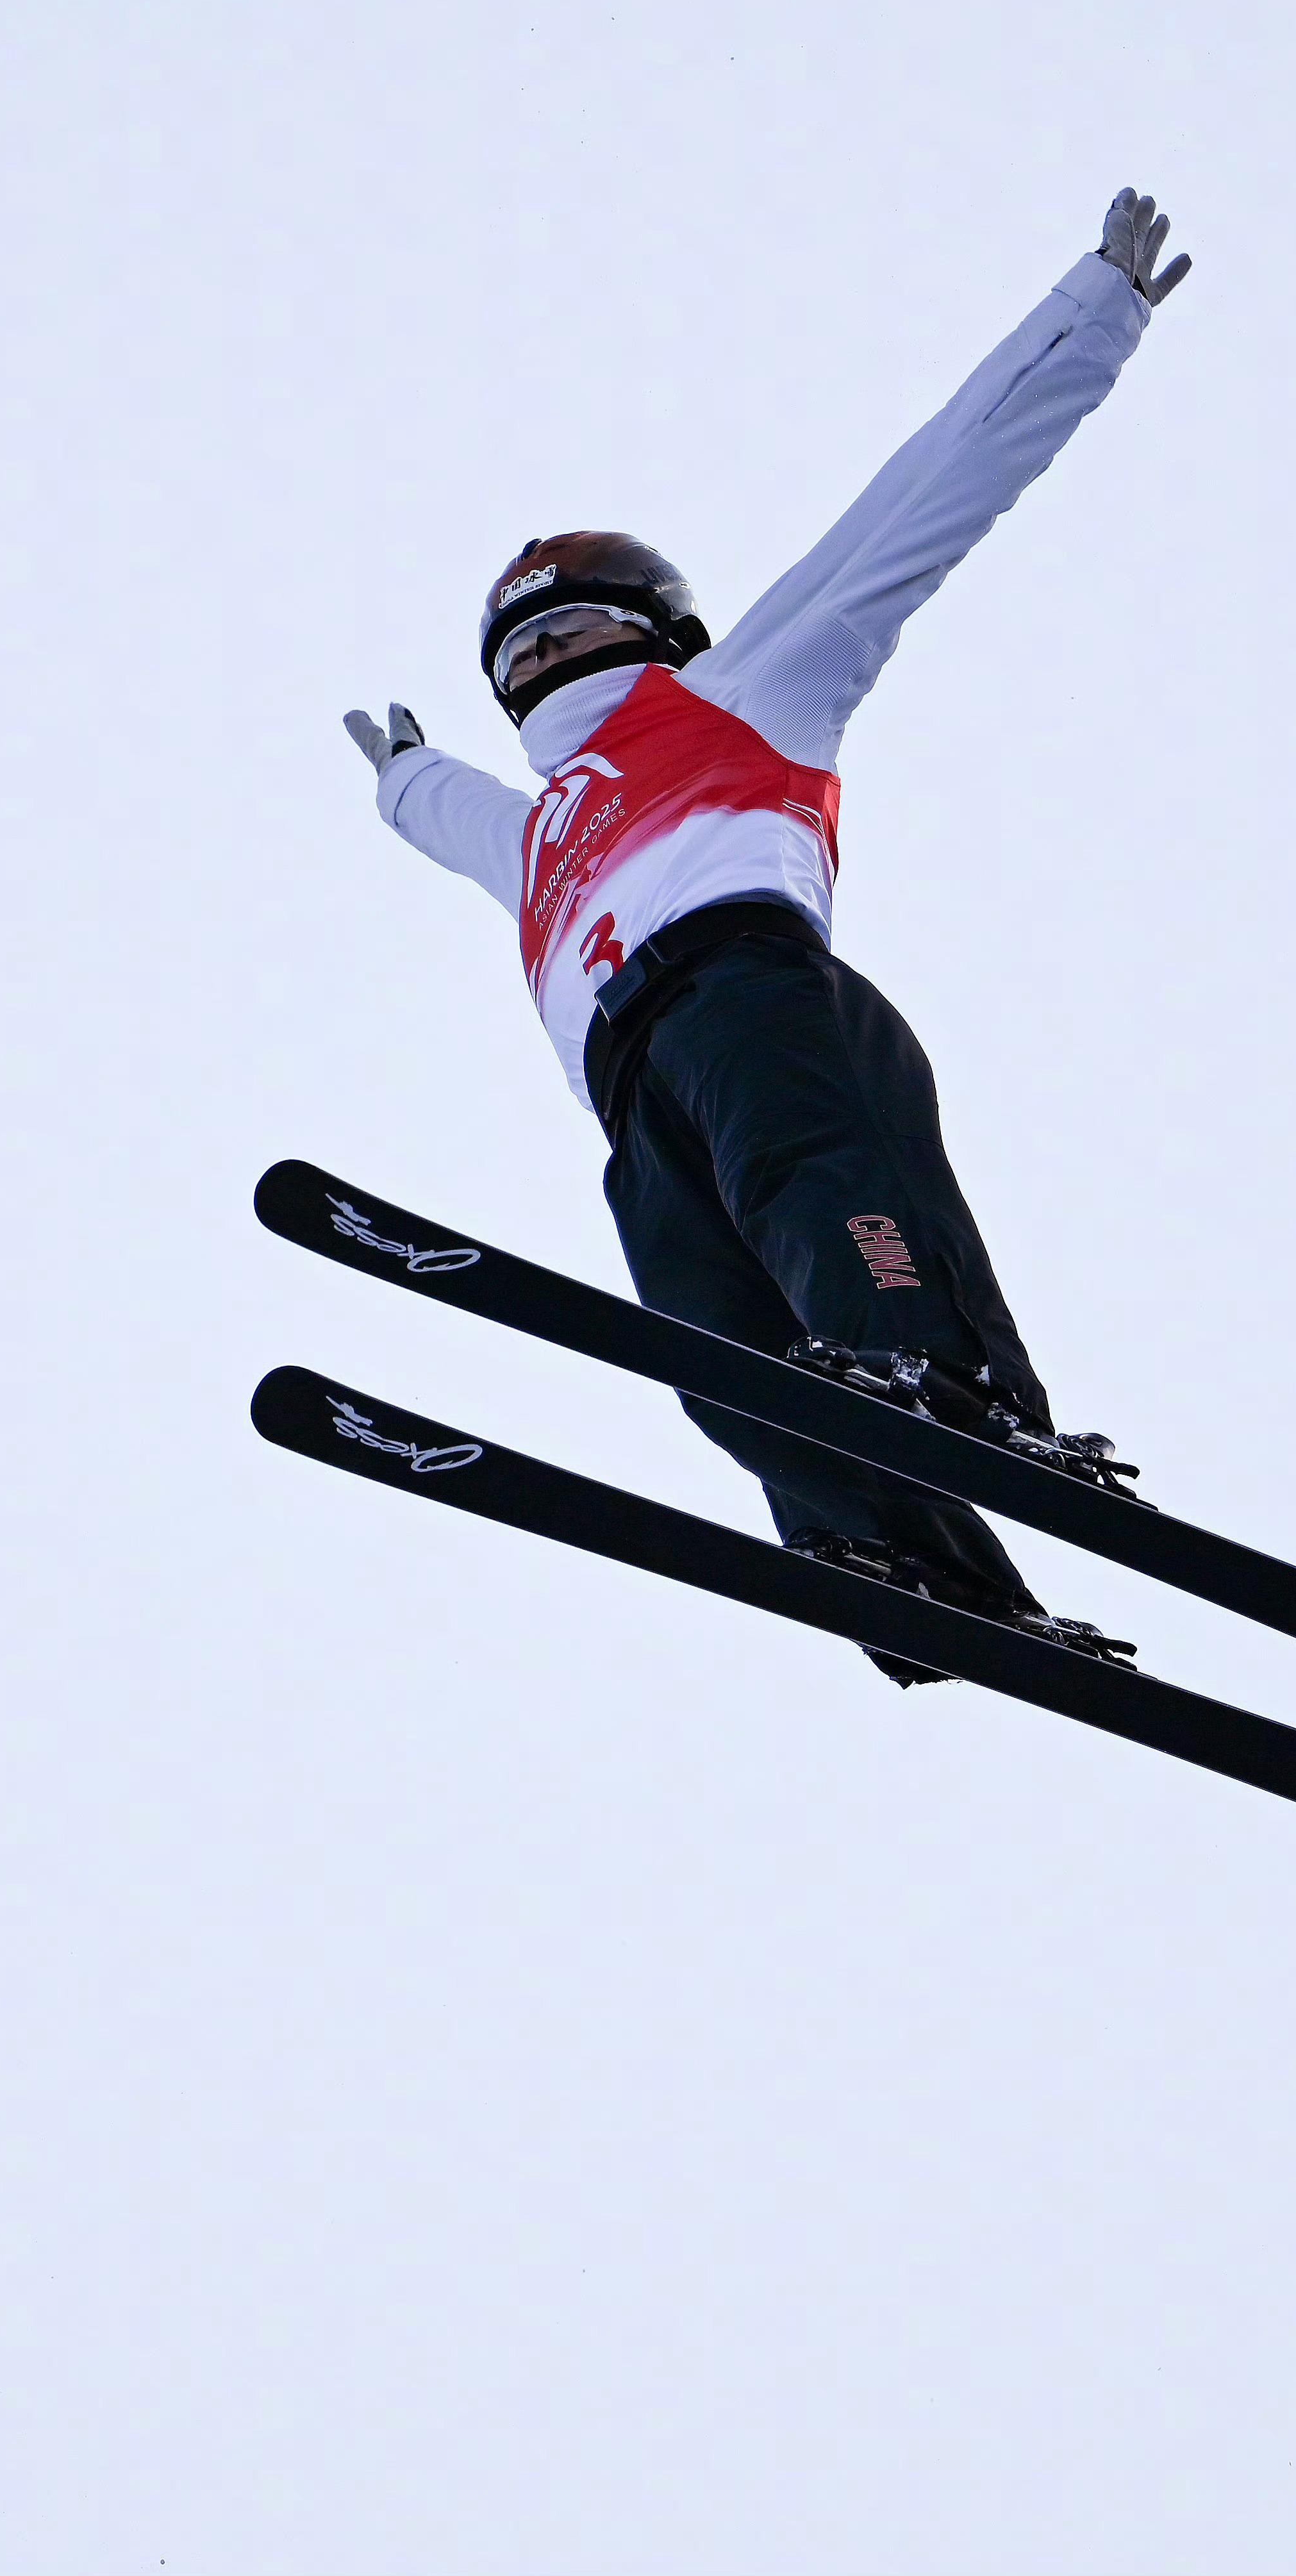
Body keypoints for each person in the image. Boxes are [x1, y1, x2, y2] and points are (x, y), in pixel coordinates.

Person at [340, 190, 1194, 1679]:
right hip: (631, 1085)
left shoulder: (741, 695)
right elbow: (448, 819)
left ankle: (950, 1384)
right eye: (518, 649)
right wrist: (405, 781)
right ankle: (896, 1560)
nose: (545, 655)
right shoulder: (537, 835)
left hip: (753, 996)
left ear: (657, 626)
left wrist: (1092, 316)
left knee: (825, 1199)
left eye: (570, 625)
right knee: (718, 1340)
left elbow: (923, 503)